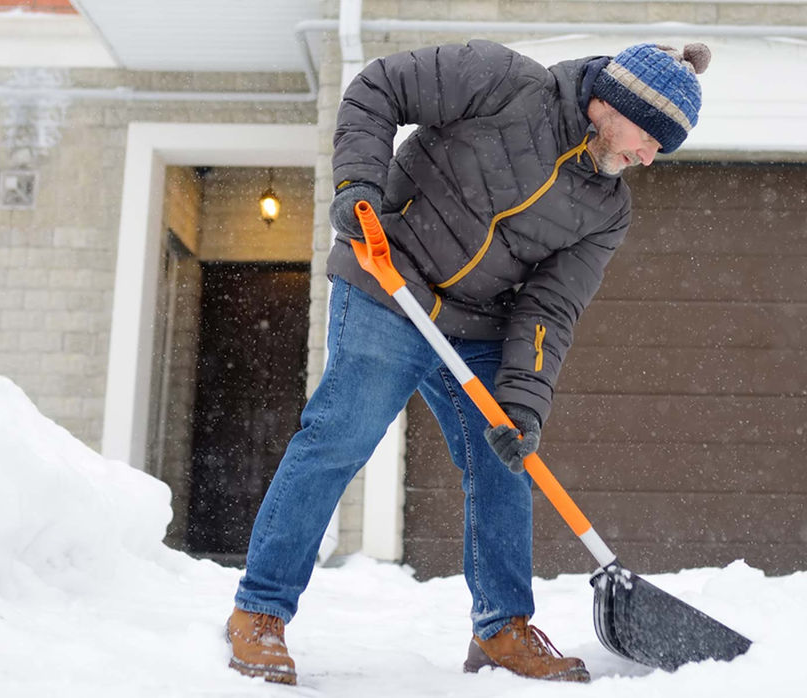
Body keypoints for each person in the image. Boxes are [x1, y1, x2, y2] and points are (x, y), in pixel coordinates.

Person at [225, 38, 709, 685]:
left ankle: (502, 628)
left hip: (477, 322)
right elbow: (377, 89)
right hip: (387, 275)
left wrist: (524, 404)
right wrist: (357, 184)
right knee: (342, 434)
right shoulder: (504, 81)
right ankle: (259, 612)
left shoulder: (606, 209)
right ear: (612, 103)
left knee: (505, 457)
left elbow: (551, 308)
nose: (650, 158)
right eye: (652, 138)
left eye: (661, 150)